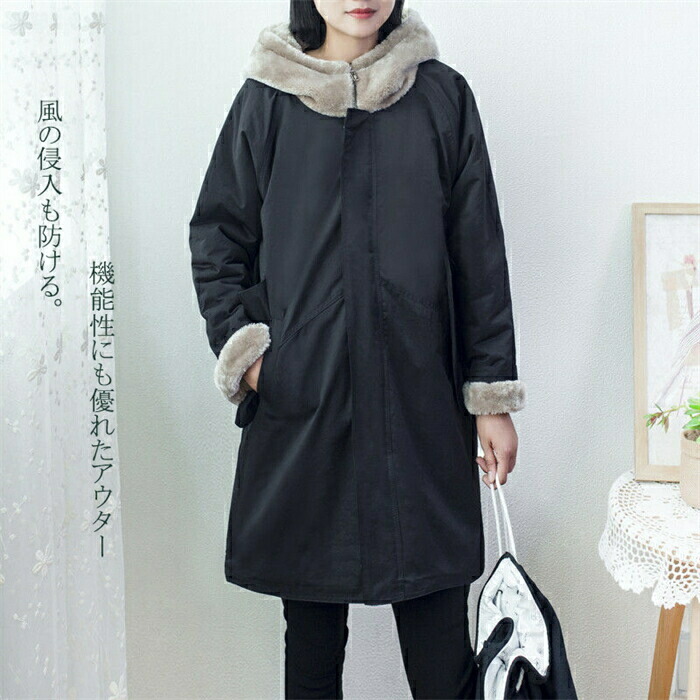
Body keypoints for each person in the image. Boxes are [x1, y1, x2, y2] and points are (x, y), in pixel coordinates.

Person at [189, 1, 525, 697]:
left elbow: (479, 254)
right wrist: (255, 360)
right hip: (306, 412)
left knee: (441, 648)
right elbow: (218, 238)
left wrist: (490, 395)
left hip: (421, 409)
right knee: (312, 648)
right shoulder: (268, 99)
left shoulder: (440, 97)